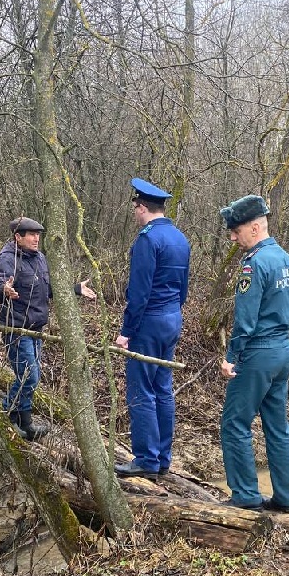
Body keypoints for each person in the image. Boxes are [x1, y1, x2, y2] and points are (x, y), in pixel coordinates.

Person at [218, 194, 289, 514]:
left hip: (258, 353)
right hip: (283, 351)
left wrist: (231, 357)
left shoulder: (254, 263)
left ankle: (246, 495)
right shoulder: (284, 258)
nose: (233, 237)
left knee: (234, 424)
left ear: (255, 227)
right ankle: (285, 498)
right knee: (277, 427)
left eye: (236, 231)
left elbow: (246, 320)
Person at [0, 216, 96, 440]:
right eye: (32, 234)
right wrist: (3, 289)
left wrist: (75, 288)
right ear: (18, 237)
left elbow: (49, 289)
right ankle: (4, 417)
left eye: (39, 234)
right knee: (29, 377)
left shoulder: (40, 258)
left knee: (30, 376)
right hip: (16, 329)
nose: (37, 239)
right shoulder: (8, 259)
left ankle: (24, 424)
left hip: (37, 329)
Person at [113, 178, 191, 480]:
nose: (134, 213)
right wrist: (173, 313)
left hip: (148, 322)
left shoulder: (148, 239)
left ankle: (146, 459)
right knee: (163, 388)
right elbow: (183, 287)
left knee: (141, 389)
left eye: (135, 208)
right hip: (172, 318)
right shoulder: (179, 238)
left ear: (143, 207)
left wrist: (126, 330)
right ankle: (163, 458)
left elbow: (139, 292)